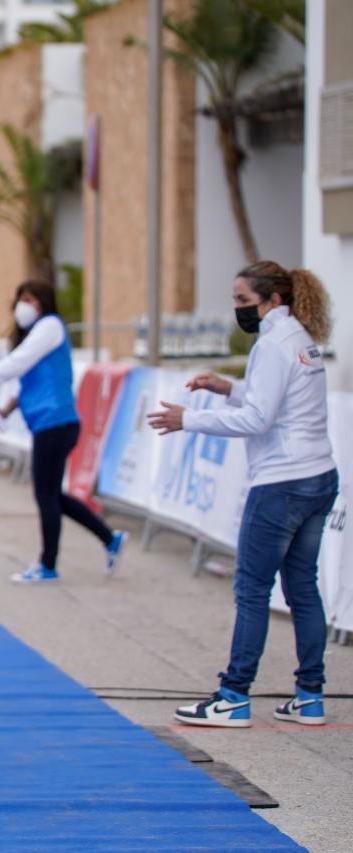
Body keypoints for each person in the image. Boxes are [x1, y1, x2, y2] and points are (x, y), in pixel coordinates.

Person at [148, 262, 337, 728]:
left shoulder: (273, 344)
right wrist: (226, 388)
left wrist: (188, 419)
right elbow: (272, 402)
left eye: (241, 300)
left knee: (252, 590)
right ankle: (310, 696)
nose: (237, 309)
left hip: (282, 483)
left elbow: (258, 420)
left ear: (271, 299)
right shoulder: (299, 339)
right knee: (303, 588)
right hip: (319, 476)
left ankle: (233, 695)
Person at [0, 280, 126, 583]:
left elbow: (16, 363)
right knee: (53, 495)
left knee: (45, 495)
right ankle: (109, 537)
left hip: (56, 423)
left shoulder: (50, 326)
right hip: (49, 423)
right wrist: (4, 410)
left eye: (29, 298)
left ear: (42, 301)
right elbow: (27, 380)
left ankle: (48, 565)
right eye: (20, 298)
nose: (23, 305)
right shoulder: (37, 334)